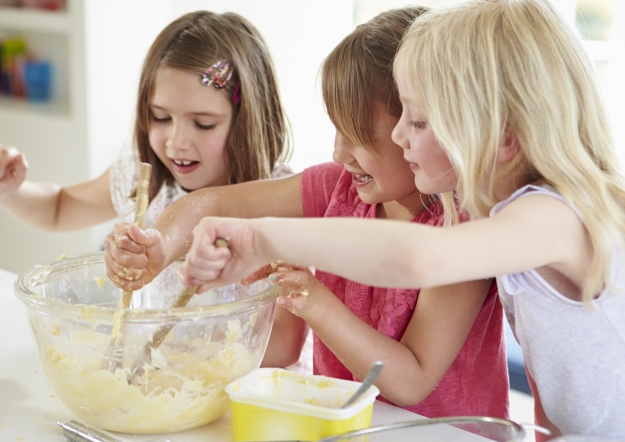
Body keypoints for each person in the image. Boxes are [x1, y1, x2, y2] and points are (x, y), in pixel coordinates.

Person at [178, 0, 625, 442]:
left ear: (500, 137)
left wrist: (263, 239)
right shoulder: (495, 220)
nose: (401, 136)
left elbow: (416, 259)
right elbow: (560, 372)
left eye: (419, 119)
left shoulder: (556, 217)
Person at [104, 7, 510, 419]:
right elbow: (208, 203)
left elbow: (412, 380)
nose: (338, 152)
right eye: (337, 129)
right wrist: (158, 248)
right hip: (342, 435)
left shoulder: (464, 227)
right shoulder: (337, 187)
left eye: (361, 137)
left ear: (429, 124)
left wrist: (313, 301)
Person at [0, 11, 291, 232]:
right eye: (160, 117)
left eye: (203, 124)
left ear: (248, 119)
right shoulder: (144, 184)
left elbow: (286, 329)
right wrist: (11, 190)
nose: (176, 141)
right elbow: (57, 209)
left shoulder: (284, 200)